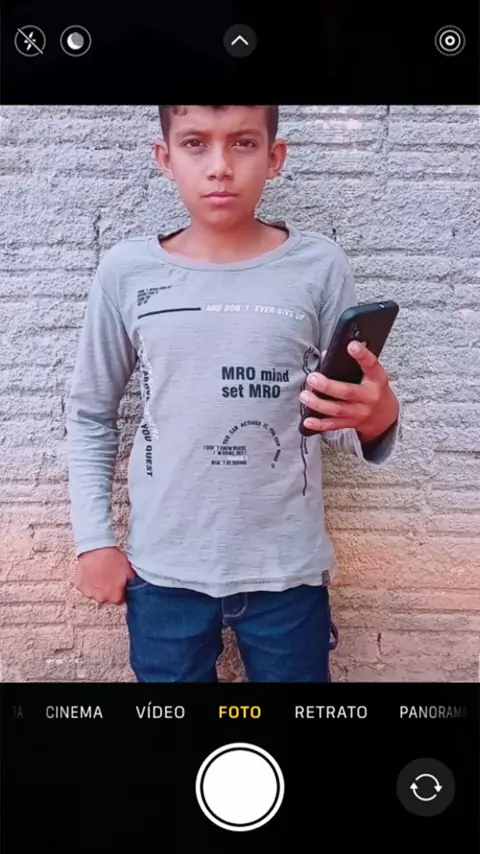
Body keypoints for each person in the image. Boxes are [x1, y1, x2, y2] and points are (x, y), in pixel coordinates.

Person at [66, 105, 399, 683]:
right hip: (163, 571)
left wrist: (379, 419)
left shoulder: (318, 266)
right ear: (165, 158)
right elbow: (92, 414)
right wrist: (94, 541)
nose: (219, 166)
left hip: (286, 571)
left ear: (274, 157)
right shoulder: (126, 271)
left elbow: (336, 417)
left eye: (242, 143)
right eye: (195, 143)